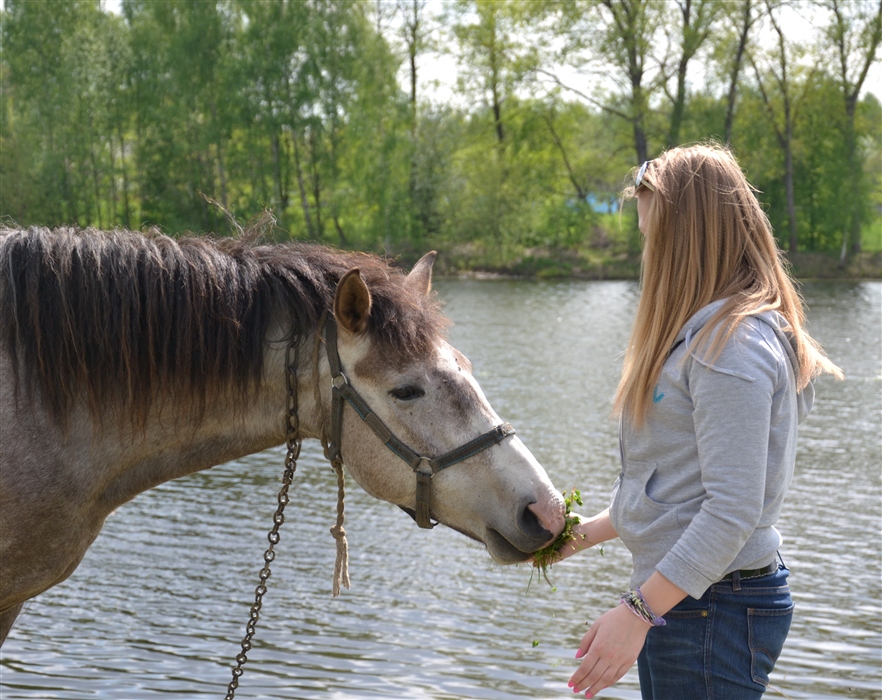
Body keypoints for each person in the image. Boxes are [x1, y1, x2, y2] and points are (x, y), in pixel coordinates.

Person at [554, 142, 843, 699]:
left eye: (650, 238)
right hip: (696, 599)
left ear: (683, 242)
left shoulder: (730, 347)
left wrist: (636, 613)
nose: (645, 257)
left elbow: (732, 511)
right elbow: (678, 491)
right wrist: (570, 539)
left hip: (712, 607)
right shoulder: (710, 337)